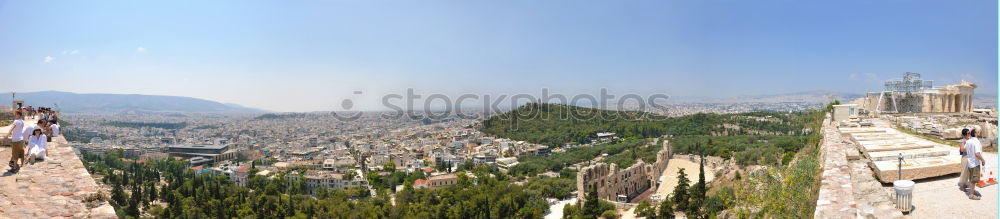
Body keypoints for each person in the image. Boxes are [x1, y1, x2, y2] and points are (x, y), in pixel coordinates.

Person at [965, 129, 985, 200]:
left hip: (970, 162)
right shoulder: (976, 142)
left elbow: (965, 150)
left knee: (971, 179)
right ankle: (971, 195)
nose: (979, 132)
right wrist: (983, 160)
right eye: (978, 131)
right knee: (974, 180)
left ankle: (972, 191)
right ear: (975, 134)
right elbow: (977, 154)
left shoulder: (968, 141)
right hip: (975, 163)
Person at [957, 128, 970, 193]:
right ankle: (962, 186)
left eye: (969, 132)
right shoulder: (963, 141)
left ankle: (964, 184)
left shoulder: (969, 140)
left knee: (968, 172)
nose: (969, 134)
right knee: (964, 172)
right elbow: (962, 149)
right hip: (965, 158)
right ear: (965, 134)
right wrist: (968, 148)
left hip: (969, 158)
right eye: (968, 133)